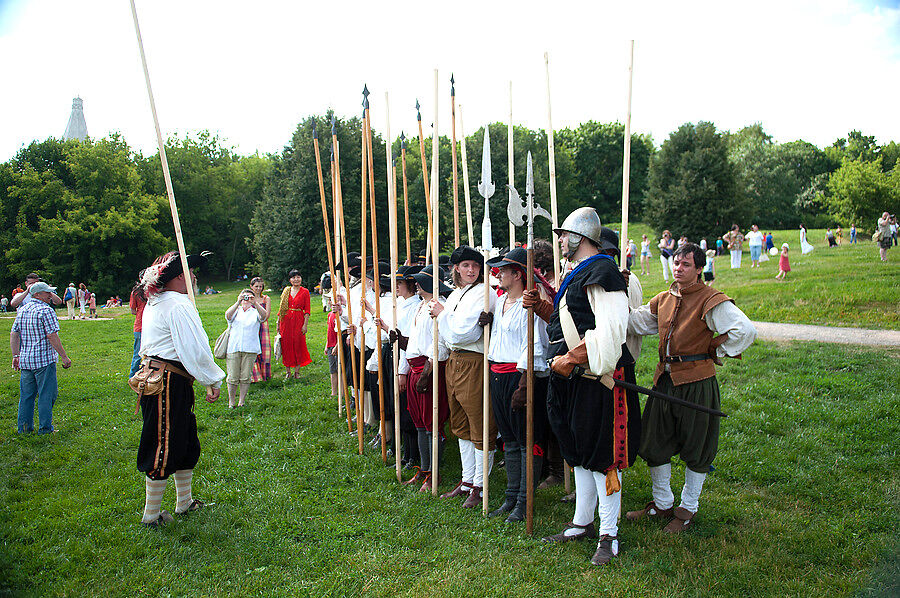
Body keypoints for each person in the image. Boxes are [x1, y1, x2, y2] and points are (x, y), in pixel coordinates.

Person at [531, 208, 640, 568]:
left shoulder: (603, 271)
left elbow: (610, 333)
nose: (560, 240)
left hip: (601, 380)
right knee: (577, 451)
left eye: (564, 235)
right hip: (576, 379)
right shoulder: (575, 273)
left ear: (580, 237)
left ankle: (609, 535)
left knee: (602, 457)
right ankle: (582, 522)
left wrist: (573, 358)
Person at [626, 243, 756, 533]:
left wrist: (716, 351)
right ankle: (662, 504)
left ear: (699, 268)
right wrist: (618, 297)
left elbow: (745, 331)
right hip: (665, 380)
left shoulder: (711, 299)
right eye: (676, 263)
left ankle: (687, 509)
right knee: (655, 442)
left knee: (697, 446)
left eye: (686, 264)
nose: (679, 268)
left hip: (697, 383)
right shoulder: (664, 299)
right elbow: (636, 322)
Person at [135, 251, 224, 527]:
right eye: (189, 272)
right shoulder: (175, 304)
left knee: (184, 440)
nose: (194, 277)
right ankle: (151, 516)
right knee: (163, 444)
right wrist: (212, 379)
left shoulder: (159, 301)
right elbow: (194, 348)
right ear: (177, 277)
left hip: (171, 380)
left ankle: (184, 502)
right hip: (167, 383)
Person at [481, 248, 550, 523]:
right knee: (508, 439)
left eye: (503, 270)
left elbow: (533, 345)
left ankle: (524, 500)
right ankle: (510, 496)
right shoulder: (500, 302)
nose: (498, 274)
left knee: (525, 440)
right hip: (497, 373)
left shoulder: (528, 303)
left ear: (518, 274)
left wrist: (524, 384)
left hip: (518, 376)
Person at [431, 246, 498, 508]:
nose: (472, 270)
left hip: (474, 360)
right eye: (466, 266)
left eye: (476, 266)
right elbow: (449, 335)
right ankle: (467, 479)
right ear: (456, 268)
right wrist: (447, 318)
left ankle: (481, 485)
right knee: (459, 422)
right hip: (455, 361)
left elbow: (464, 334)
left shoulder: (484, 294)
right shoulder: (457, 294)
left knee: (479, 421)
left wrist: (443, 315)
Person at [404, 265, 452, 491]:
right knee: (420, 423)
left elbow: (439, 345)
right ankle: (424, 470)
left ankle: (435, 473)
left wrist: (426, 374)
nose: (415, 284)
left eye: (419, 281)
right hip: (415, 368)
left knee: (432, 423)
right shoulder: (421, 306)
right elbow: (415, 340)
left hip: (429, 369)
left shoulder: (439, 306)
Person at [11, 281, 72, 433]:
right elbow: (52, 335)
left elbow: (14, 333)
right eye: (47, 293)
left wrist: (15, 355)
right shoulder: (46, 311)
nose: (50, 295)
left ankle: (24, 429)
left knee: (26, 397)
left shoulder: (23, 310)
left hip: (26, 361)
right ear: (37, 294)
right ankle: (45, 428)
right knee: (47, 395)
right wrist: (64, 357)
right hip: (44, 361)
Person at [224, 288, 266, 408]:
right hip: (234, 347)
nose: (246, 299)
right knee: (232, 376)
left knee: (245, 376)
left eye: (249, 297)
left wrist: (255, 303)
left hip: (250, 348)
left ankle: (241, 401)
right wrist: (238, 302)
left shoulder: (255, 312)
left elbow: (264, 317)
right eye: (244, 297)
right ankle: (231, 401)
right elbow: (227, 316)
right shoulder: (236, 310)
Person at [277, 269, 312, 379]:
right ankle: (288, 371)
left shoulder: (305, 291)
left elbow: (307, 310)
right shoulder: (286, 291)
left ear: (301, 278)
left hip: (298, 320)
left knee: (298, 344)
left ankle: (297, 371)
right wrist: (278, 323)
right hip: (285, 321)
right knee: (286, 344)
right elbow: (281, 308)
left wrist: (305, 325)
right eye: (293, 277)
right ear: (290, 280)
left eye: (298, 277)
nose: (296, 279)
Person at [248, 277, 272, 383]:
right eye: (256, 286)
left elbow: (266, 315)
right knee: (252, 350)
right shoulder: (248, 299)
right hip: (251, 327)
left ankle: (265, 375)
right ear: (251, 287)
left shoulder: (266, 298)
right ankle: (255, 376)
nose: (258, 288)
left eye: (260, 286)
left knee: (265, 350)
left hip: (263, 326)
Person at [129, 284, 147, 377]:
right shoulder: (153, 291)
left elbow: (132, 311)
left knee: (137, 354)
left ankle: (132, 376)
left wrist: (140, 312)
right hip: (151, 326)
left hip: (139, 326)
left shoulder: (135, 293)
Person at [325, 309, 340, 402]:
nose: (330, 302)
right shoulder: (330, 314)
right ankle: (334, 392)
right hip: (330, 346)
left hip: (337, 346)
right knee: (333, 370)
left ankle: (342, 393)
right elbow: (329, 331)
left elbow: (342, 333)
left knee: (340, 371)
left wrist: (337, 346)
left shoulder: (340, 315)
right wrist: (327, 345)